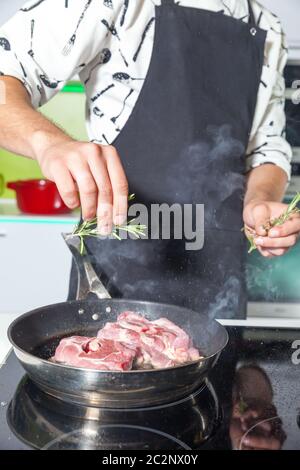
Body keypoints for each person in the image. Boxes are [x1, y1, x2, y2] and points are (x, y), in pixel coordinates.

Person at [0, 0, 299, 318]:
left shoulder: (267, 27)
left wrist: (260, 200)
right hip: (115, 280)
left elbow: (267, 148)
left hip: (219, 288)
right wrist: (49, 144)